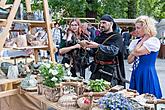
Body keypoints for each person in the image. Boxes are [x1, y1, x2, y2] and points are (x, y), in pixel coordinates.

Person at [80, 14, 126, 86]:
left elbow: (113, 51)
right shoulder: (99, 37)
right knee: (92, 90)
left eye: (104, 23)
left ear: (111, 23)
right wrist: (86, 47)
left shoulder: (117, 37)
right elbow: (94, 53)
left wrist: (98, 46)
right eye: (100, 23)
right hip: (97, 69)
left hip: (110, 71)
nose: (101, 25)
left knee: (109, 93)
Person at [128, 16, 162, 99]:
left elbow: (136, 52)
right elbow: (129, 60)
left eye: (138, 28)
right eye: (135, 28)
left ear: (146, 28)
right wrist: (141, 42)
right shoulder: (136, 42)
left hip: (147, 73)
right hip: (136, 73)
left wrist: (143, 40)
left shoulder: (153, 41)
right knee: (135, 99)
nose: (136, 30)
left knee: (148, 100)